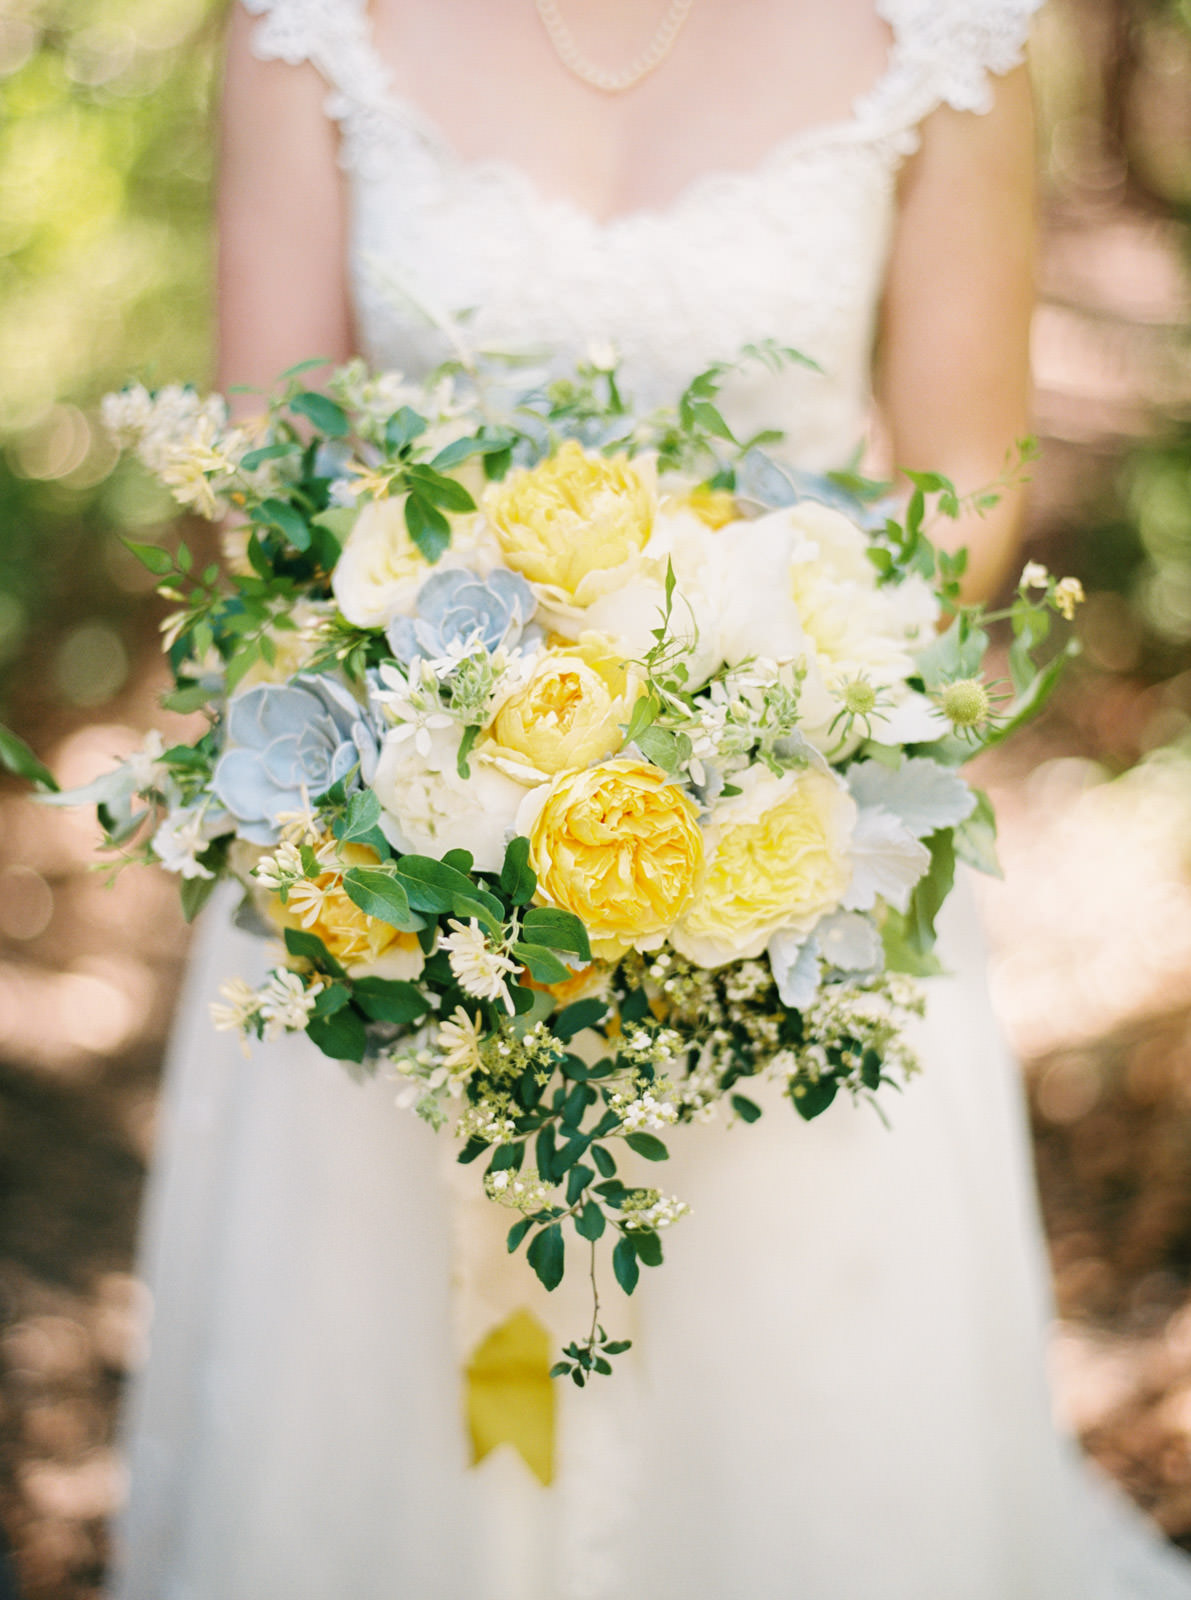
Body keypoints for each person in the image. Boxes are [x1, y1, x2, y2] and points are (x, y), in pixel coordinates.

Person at [109, 2, 1191, 1596]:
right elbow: (271, 481)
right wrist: (463, 765)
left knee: (800, 1441)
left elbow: (967, 490)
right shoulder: (309, 29)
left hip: (791, 862)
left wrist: (740, 737)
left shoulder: (946, 33)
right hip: (396, 846)